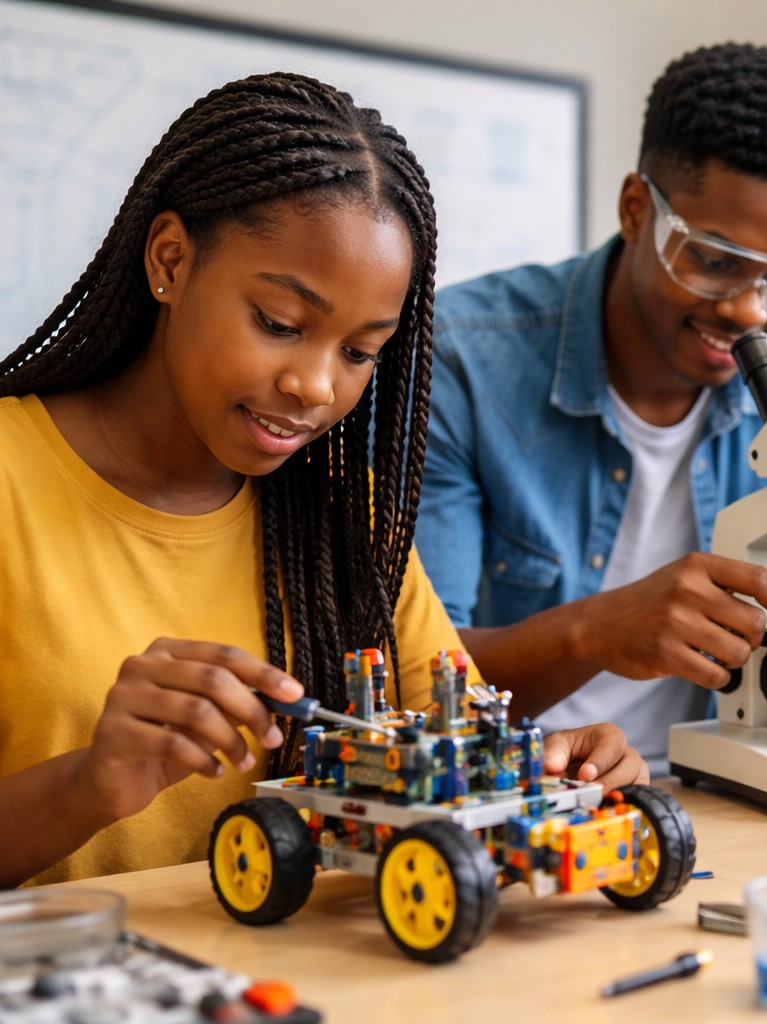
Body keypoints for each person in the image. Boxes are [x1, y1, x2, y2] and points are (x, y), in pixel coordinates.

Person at [0, 74, 644, 889]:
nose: (315, 386)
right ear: (170, 259)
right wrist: (89, 780)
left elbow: (450, 751)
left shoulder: (345, 523)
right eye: (279, 324)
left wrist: (560, 773)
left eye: (359, 352)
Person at [417, 44, 767, 772]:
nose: (752, 310)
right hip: (520, 786)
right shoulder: (461, 361)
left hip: (716, 796)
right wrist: (594, 631)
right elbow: (417, 679)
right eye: (715, 261)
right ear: (635, 210)